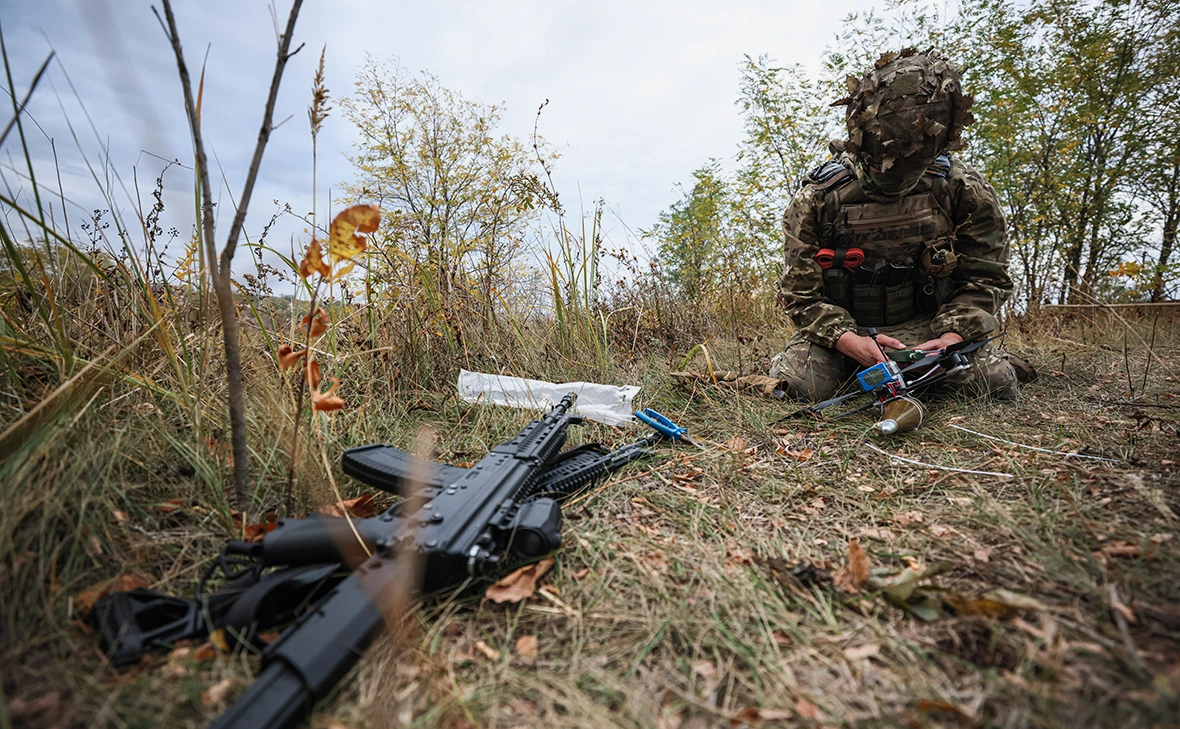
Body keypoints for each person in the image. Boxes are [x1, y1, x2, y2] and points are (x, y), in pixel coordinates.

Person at [770, 49, 1027, 402]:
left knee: (994, 384)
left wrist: (952, 337)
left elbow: (986, 278)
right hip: (845, 335)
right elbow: (802, 296)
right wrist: (848, 341)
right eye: (881, 164)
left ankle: (919, 372)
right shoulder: (819, 199)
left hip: (931, 332)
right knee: (800, 388)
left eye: (910, 166)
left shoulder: (961, 189)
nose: (892, 175)